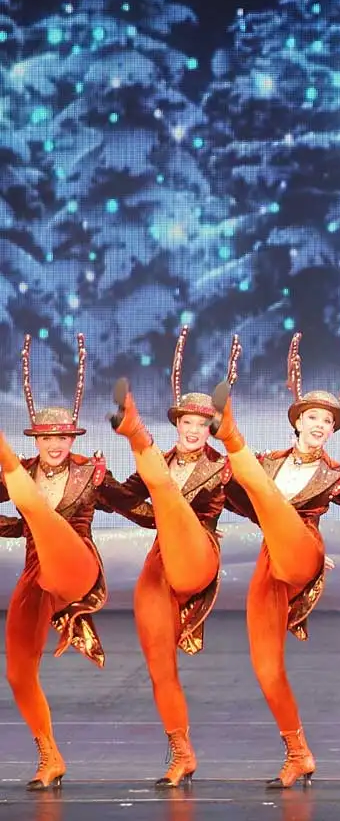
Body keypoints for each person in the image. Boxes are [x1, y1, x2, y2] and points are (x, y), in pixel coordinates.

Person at [208, 333, 340, 788]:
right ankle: (298, 753)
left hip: (305, 549)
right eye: (313, 417)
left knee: (263, 492)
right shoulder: (269, 465)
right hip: (272, 562)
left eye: (327, 421)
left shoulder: (334, 477)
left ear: (333, 430)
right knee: (265, 667)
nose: (320, 425)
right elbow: (240, 500)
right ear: (298, 421)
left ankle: (228, 429)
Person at [106, 327, 239, 787]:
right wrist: (88, 487)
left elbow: (263, 506)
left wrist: (304, 550)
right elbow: (124, 501)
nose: (193, 431)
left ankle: (131, 428)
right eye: (187, 424)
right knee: (160, 665)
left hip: (199, 553)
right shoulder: (160, 464)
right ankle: (182, 753)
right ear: (178, 425)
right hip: (161, 563)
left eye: (203, 425)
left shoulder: (222, 469)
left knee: (164, 490)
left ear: (210, 430)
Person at [0, 334, 133, 790]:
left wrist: (191, 523)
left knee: (35, 508)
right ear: (36, 439)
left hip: (77, 567)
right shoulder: (23, 475)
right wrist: (14, 526)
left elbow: (138, 505)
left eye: (61, 437)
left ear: (71, 438)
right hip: (37, 573)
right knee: (18, 673)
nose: (55, 445)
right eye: (47, 437)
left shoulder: (89, 472)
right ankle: (49, 755)